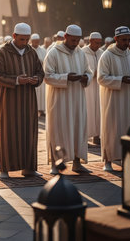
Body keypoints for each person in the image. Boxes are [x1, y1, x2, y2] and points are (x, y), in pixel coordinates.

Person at [0, 23, 45, 179]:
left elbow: (40, 73)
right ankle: (5, 168)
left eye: (27, 39)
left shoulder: (32, 52)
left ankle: (29, 168)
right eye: (22, 39)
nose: (25, 43)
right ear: (14, 36)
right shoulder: (3, 52)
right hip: (9, 100)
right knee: (8, 130)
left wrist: (36, 79)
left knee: (29, 131)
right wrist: (16, 80)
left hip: (28, 100)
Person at [44, 24, 92, 174]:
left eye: (78, 40)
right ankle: (55, 164)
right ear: (65, 37)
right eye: (72, 40)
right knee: (58, 129)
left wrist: (86, 77)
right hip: (60, 100)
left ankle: (77, 162)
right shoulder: (53, 53)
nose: (75, 43)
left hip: (77, 99)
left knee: (78, 128)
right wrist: (66, 78)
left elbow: (88, 71)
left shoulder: (80, 53)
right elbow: (47, 76)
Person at [98, 26, 130, 171]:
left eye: (128, 40)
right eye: (124, 40)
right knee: (112, 128)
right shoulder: (107, 56)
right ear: (116, 39)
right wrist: (121, 80)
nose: (126, 43)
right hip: (113, 101)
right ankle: (108, 161)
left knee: (129, 128)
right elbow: (101, 78)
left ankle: (126, 159)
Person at [82, 32, 104, 144]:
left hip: (100, 87)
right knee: (87, 111)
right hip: (88, 88)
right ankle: (84, 138)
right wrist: (91, 74)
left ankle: (97, 136)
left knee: (99, 111)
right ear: (90, 41)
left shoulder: (102, 53)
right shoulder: (82, 53)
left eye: (100, 43)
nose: (98, 45)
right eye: (96, 43)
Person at [30, 33, 47, 115]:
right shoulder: (28, 49)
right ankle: (33, 110)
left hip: (40, 75)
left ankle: (41, 110)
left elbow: (45, 62)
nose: (36, 43)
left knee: (41, 94)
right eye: (34, 41)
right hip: (31, 75)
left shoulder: (43, 50)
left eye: (37, 41)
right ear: (31, 41)